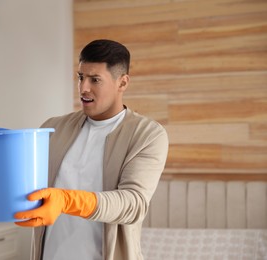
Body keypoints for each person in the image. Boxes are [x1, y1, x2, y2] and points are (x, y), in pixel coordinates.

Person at [14, 39, 169, 260]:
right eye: (80, 77)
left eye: (95, 79)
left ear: (122, 83)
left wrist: (67, 200)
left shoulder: (147, 135)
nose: (83, 88)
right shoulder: (52, 128)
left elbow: (133, 204)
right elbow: (23, 184)